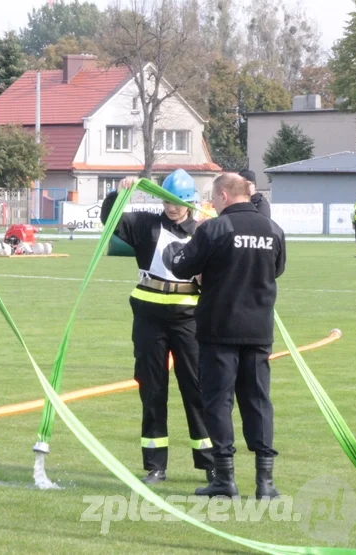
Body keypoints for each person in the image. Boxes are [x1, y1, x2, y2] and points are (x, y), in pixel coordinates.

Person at [171, 173, 286, 499]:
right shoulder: (272, 229)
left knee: (218, 401)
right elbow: (277, 269)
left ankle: (225, 477)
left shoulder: (215, 228)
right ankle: (265, 482)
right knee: (258, 401)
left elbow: (181, 265)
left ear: (223, 194)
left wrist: (176, 254)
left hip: (219, 328)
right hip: (259, 330)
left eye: (213, 197)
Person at [100, 169, 213, 486]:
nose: (171, 207)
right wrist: (118, 193)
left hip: (189, 317)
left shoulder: (204, 231)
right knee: (152, 390)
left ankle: (210, 465)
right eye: (166, 201)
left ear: (190, 202)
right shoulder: (146, 224)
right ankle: (155, 466)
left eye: (177, 202)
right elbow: (109, 219)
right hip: (149, 316)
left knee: (197, 389)